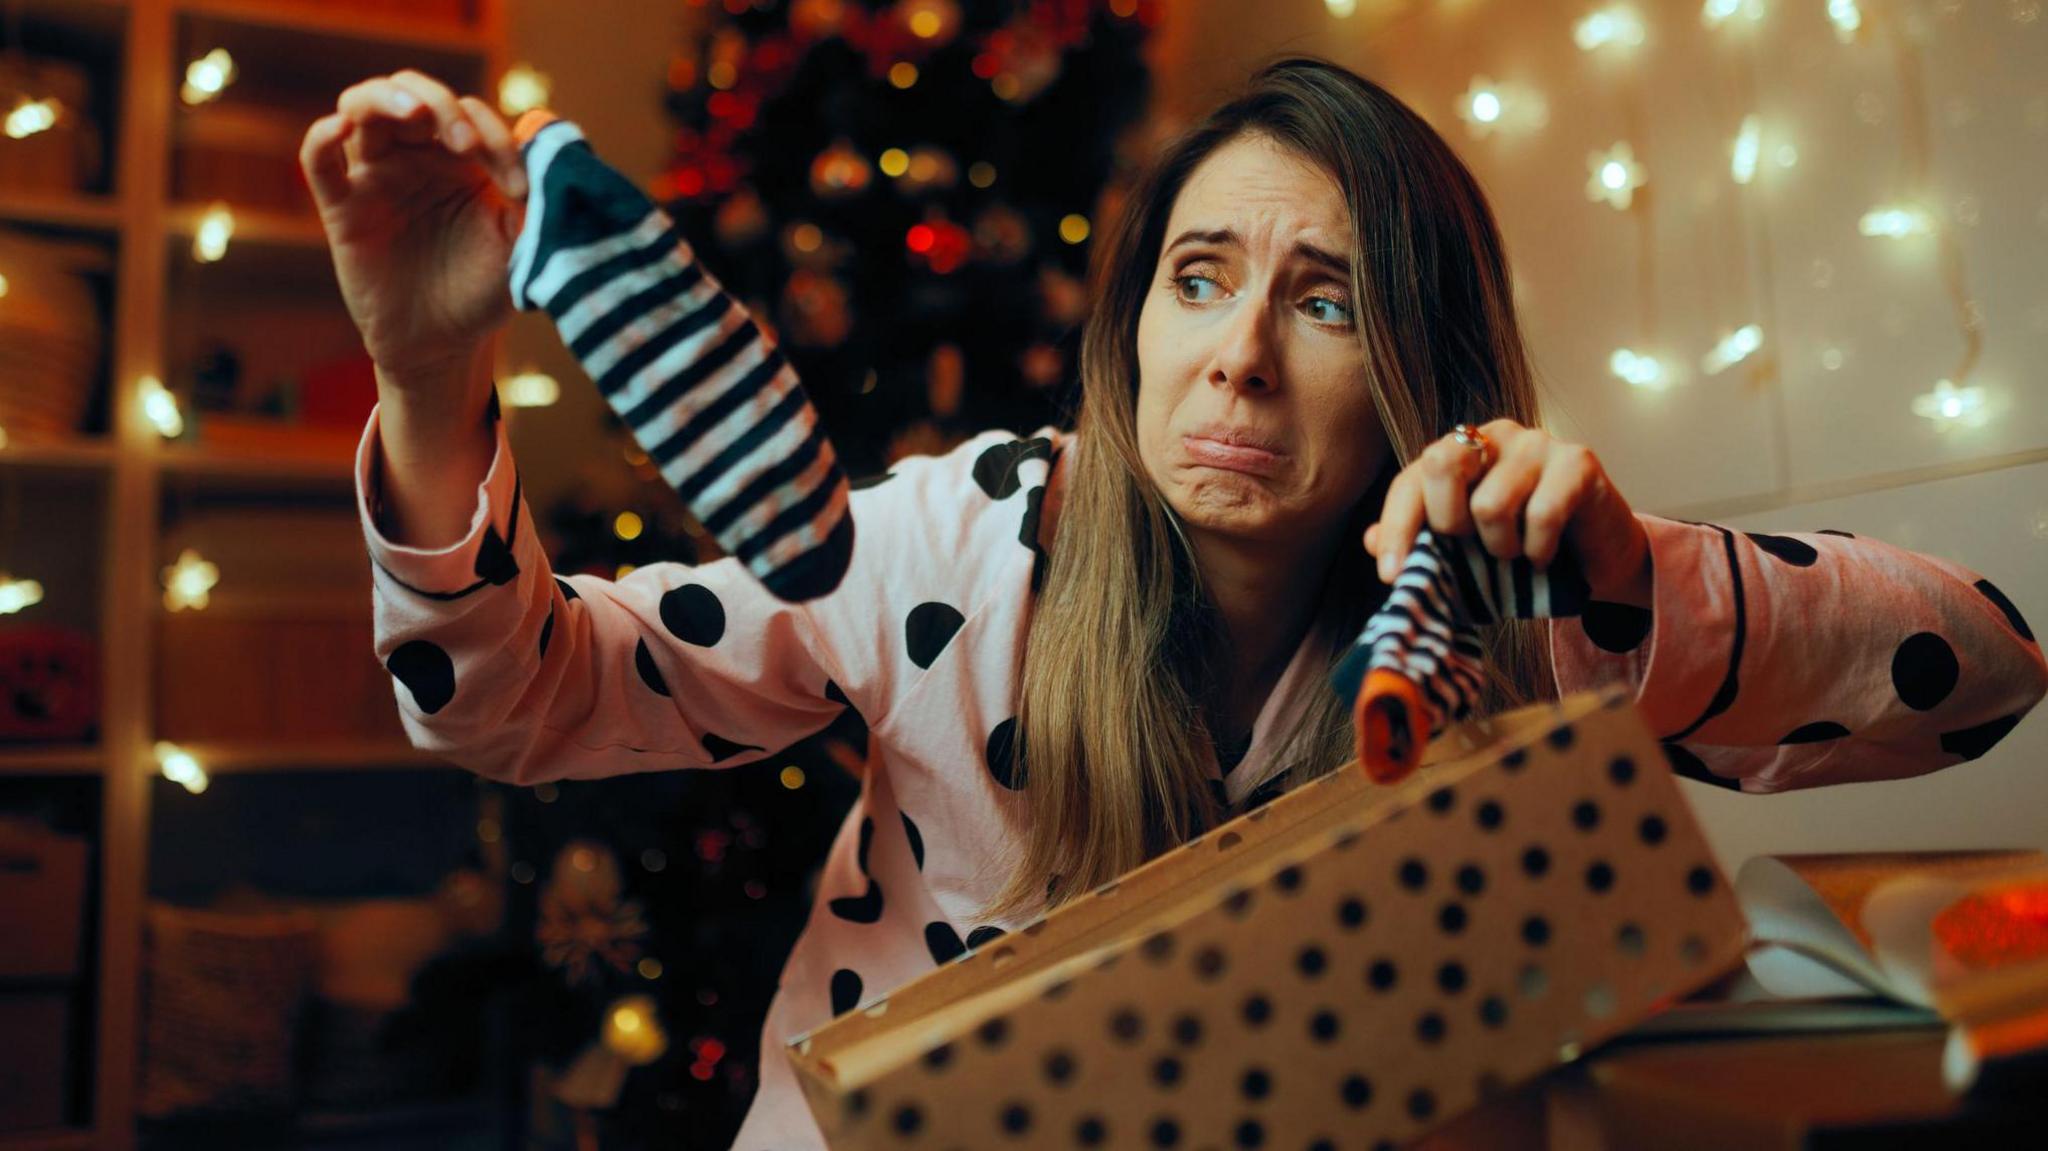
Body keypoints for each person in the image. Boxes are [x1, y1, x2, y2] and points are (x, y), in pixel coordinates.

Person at [302, 56, 2045, 1150]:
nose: (1235, 358)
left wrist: (1631, 580)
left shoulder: (1516, 604)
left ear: (1423, 366)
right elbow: (509, 698)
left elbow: (1986, 672)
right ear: (1131, 325)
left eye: (1329, 302)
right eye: (1198, 280)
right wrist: (429, 375)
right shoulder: (942, 548)